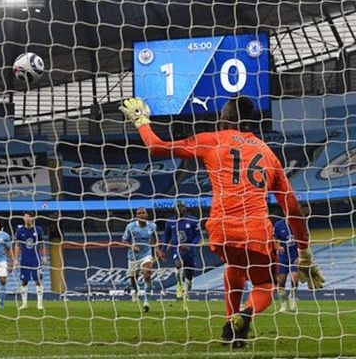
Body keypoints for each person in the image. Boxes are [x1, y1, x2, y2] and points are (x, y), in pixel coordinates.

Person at [120, 96, 325, 348]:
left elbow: (156, 147)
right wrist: (304, 250)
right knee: (264, 283)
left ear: (223, 119)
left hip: (222, 229)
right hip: (256, 231)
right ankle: (245, 315)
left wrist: (141, 120)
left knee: (234, 268)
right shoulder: (268, 155)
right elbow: (292, 207)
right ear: (252, 123)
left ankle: (232, 328)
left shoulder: (212, 140)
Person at [121, 207, 162, 312]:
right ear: (136, 216)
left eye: (143, 213)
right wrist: (132, 247)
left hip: (146, 255)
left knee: (147, 274)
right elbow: (124, 240)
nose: (141, 215)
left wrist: (157, 249)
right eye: (139, 213)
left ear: (147, 214)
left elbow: (155, 238)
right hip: (133, 257)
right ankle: (136, 290)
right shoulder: (130, 226)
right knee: (133, 278)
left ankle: (146, 302)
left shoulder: (152, 226)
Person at [164, 201, 202, 309]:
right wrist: (163, 250)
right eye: (177, 206)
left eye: (181, 206)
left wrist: (191, 245)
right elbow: (166, 237)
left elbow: (198, 236)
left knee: (189, 275)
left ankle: (187, 288)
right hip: (177, 248)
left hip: (190, 251)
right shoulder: (170, 222)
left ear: (185, 208)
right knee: (178, 264)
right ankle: (179, 284)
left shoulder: (193, 220)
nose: (179, 208)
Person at [13, 211, 47, 310]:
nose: (27, 219)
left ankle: (39, 304)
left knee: (38, 280)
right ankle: (24, 304)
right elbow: (17, 245)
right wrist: (16, 259)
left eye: (29, 217)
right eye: (26, 217)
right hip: (24, 260)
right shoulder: (19, 231)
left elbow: (42, 243)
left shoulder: (38, 230)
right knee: (24, 281)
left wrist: (44, 256)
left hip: (36, 260)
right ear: (23, 218)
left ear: (33, 218)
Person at [273, 218, 299, 312]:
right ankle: (283, 304)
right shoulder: (279, 225)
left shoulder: (298, 223)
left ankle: (292, 296)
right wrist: (277, 247)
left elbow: (305, 241)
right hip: (283, 257)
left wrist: (300, 256)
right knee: (281, 281)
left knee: (295, 279)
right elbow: (273, 239)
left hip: (295, 257)